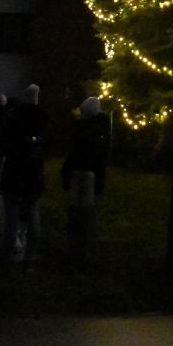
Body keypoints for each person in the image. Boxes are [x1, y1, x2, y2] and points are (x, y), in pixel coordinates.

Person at [0, 83, 48, 269]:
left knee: (12, 215)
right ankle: (30, 257)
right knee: (33, 214)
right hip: (34, 174)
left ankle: (8, 255)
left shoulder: (14, 118)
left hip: (14, 172)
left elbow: (5, 142)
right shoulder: (43, 121)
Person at [61, 96, 112, 260]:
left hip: (82, 174)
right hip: (93, 175)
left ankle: (78, 247)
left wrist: (66, 173)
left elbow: (75, 153)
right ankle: (86, 246)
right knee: (88, 211)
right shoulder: (101, 129)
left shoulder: (83, 130)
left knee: (79, 211)